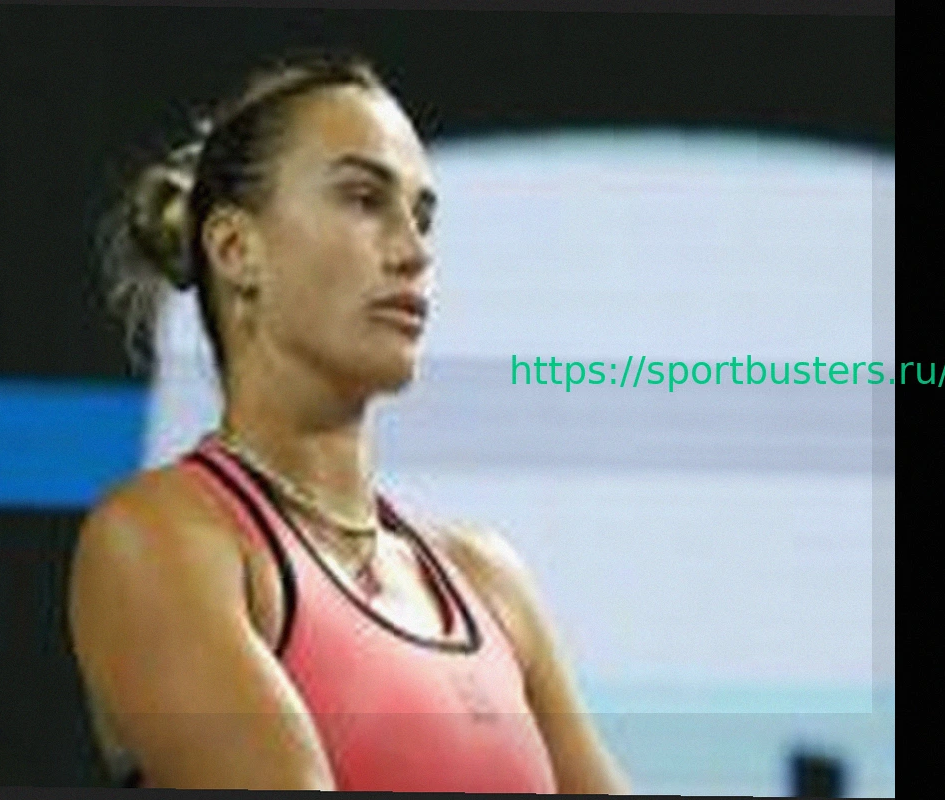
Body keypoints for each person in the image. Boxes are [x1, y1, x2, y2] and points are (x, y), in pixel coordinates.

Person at [68, 49, 629, 793]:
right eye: (364, 199)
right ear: (236, 249)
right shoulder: (160, 540)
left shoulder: (488, 581)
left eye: (422, 217)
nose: (414, 251)